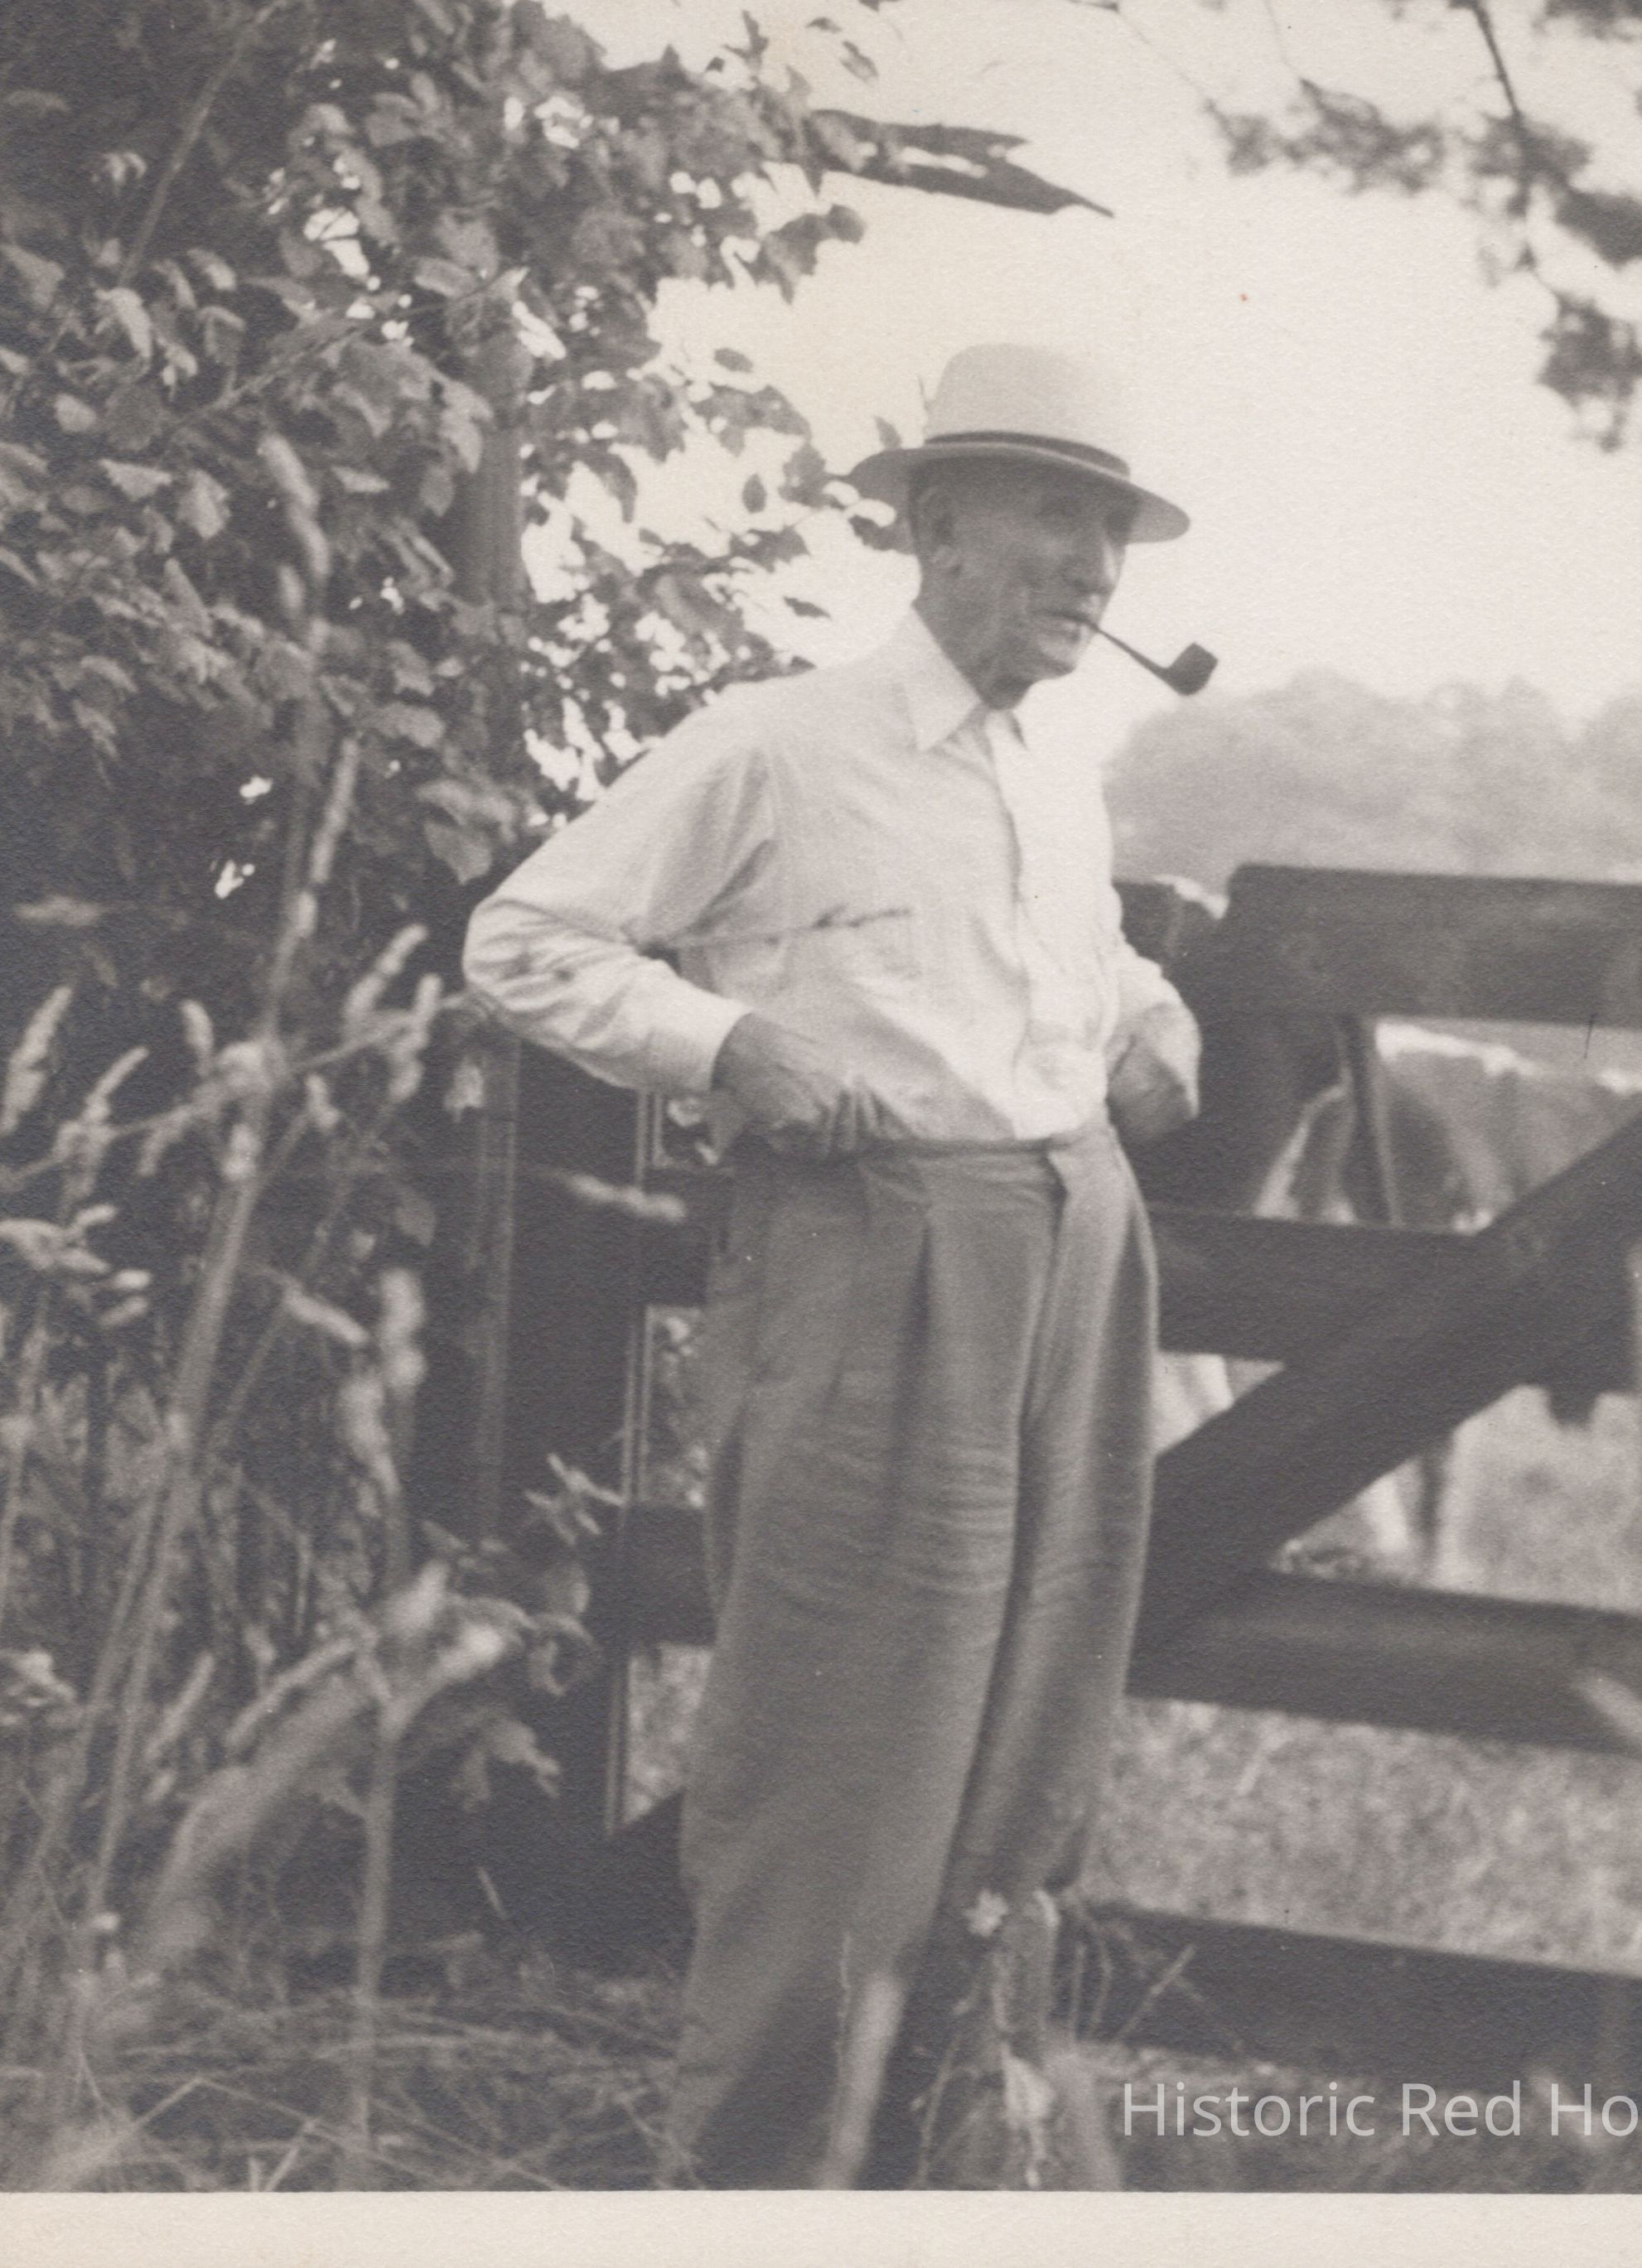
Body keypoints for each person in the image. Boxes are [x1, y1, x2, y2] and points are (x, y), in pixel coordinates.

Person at [462, 344, 1200, 2185]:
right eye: (1053, 515)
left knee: (1028, 1748)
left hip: (1077, 1253)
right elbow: (525, 940)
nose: (1091, 564)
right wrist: (730, 1047)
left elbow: (1074, 967)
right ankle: (748, 2182)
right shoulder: (778, 744)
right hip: (877, 1260)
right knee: (837, 1765)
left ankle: (936, 2164)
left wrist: (1151, 1015)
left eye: (1110, 528)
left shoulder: (1054, 771)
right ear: (934, 525)